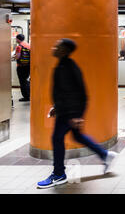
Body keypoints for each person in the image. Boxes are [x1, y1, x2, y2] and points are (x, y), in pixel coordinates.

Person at [37, 39, 117, 189]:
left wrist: (75, 115)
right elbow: (64, 92)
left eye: (58, 46)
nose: (54, 47)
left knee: (57, 138)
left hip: (69, 112)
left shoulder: (67, 67)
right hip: (67, 110)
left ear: (65, 50)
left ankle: (59, 174)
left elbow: (77, 93)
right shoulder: (63, 65)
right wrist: (56, 106)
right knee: (77, 136)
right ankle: (104, 155)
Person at [14, 34, 30, 102]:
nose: (16, 40)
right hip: (27, 66)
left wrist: (13, 56)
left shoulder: (19, 46)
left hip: (21, 67)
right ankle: (28, 94)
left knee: (22, 81)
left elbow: (17, 56)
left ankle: (25, 97)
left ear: (18, 39)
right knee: (25, 81)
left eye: (16, 38)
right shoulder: (28, 45)